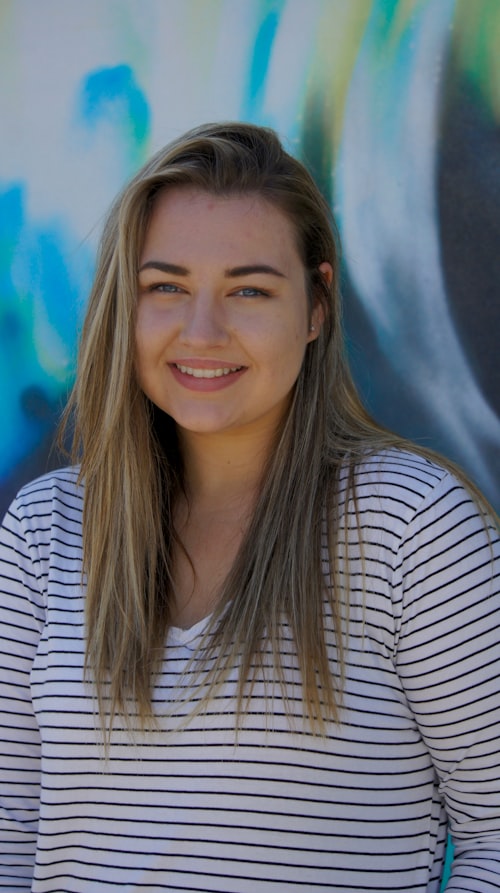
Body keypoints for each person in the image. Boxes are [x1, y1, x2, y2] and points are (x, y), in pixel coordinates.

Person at [0, 121, 499, 893]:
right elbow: (9, 829)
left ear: (316, 306)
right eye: (166, 286)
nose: (202, 331)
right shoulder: (45, 529)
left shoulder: (411, 526)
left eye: (249, 290)